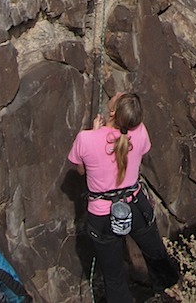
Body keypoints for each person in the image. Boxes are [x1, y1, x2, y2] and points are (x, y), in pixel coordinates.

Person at [68, 91, 180, 301]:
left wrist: (95, 132)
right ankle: (172, 293)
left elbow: (81, 170)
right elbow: (134, 149)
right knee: (157, 257)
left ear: (112, 110)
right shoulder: (140, 131)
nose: (117, 93)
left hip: (102, 215)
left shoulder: (86, 139)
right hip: (137, 206)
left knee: (114, 279)